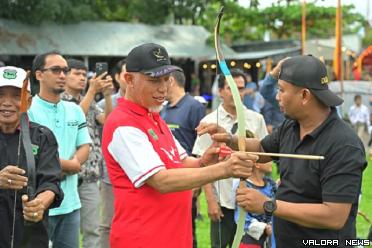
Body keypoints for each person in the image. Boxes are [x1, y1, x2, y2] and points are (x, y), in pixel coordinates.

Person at [198, 55, 367, 247]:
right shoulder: (292, 126)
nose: (277, 96)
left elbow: (334, 216)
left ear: (304, 95)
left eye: (281, 90)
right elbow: (262, 148)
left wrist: (267, 205)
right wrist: (229, 138)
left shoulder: (344, 145)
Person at [101, 43, 256, 248]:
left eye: (167, 79)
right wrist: (224, 169)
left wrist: (204, 162)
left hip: (174, 236)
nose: (163, 88)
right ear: (129, 79)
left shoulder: (154, 117)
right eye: (154, 80)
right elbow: (161, 180)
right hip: (143, 239)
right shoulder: (123, 123)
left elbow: (181, 162)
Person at [192, 69, 268, 248]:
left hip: (251, 202)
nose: (237, 93)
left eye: (240, 89)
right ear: (220, 91)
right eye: (231, 88)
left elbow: (267, 162)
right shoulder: (209, 121)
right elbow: (202, 165)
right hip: (223, 202)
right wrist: (211, 200)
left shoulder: (256, 119)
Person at [29, 51, 91, 248]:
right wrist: (69, 166)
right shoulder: (27, 110)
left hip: (70, 203)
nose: (63, 75)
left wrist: (73, 164)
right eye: (56, 70)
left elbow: (84, 146)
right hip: (38, 203)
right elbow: (30, 153)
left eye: (65, 70)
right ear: (39, 75)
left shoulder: (75, 110)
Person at [0, 66, 63, 248]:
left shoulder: (43, 136)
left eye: (15, 95)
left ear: (28, 101)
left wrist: (40, 204)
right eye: (1, 95)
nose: (7, 103)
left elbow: (51, 183)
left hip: (30, 237)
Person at [61, 59, 113, 248]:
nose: (82, 78)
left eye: (85, 74)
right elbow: (74, 119)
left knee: (93, 230)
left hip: (90, 176)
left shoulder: (89, 101)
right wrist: (92, 91)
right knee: (66, 232)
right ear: (64, 76)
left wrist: (107, 96)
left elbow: (107, 122)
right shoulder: (60, 100)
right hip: (65, 175)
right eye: (76, 73)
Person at [160, 69, 206, 248]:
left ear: (171, 81)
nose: (160, 86)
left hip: (187, 177)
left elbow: (202, 144)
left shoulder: (194, 106)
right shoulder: (163, 109)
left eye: (163, 81)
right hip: (166, 179)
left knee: (187, 231)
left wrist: (197, 180)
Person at [96, 59, 126, 248]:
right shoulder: (106, 102)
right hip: (111, 174)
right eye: (125, 74)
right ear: (117, 77)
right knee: (107, 223)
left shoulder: (145, 103)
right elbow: (108, 125)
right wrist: (107, 97)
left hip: (140, 173)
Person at [232, 162, 276, 248]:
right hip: (251, 241)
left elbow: (277, 205)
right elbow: (241, 218)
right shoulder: (244, 186)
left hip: (272, 238)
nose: (271, 162)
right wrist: (265, 228)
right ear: (257, 164)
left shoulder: (271, 184)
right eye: (268, 160)